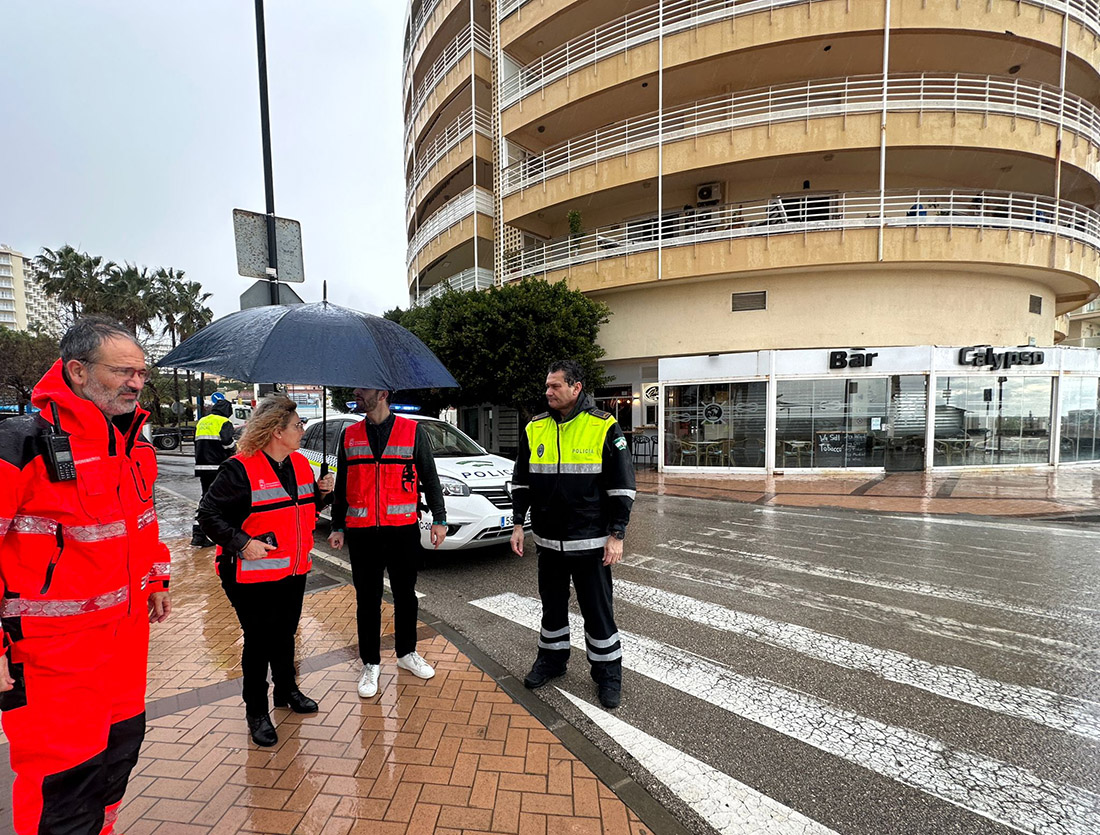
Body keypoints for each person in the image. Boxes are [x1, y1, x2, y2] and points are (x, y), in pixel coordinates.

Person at [0, 316, 172, 835]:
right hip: (53, 655)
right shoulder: (19, 444)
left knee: (116, 762)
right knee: (62, 785)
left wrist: (157, 577)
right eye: (123, 371)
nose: (136, 383)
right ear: (77, 371)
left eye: (141, 373)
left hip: (123, 642)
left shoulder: (133, 443)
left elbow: (142, 521)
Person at [197, 395, 334, 747]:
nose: (302, 431)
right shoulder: (239, 468)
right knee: (259, 641)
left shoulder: (300, 464)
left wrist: (323, 494)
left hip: (292, 570)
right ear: (277, 431)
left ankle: (286, 691)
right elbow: (208, 516)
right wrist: (242, 542)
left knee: (286, 633)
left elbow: (300, 511)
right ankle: (256, 711)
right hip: (249, 574)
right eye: (297, 425)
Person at [510, 360, 635, 709]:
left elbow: (622, 485)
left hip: (591, 543)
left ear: (576, 387)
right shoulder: (534, 427)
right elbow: (522, 479)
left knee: (597, 613)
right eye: (547, 386)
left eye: (555, 386)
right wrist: (519, 523)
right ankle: (552, 661)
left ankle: (608, 674)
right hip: (548, 542)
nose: (548, 392)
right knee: (552, 609)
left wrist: (617, 534)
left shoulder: (603, 426)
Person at [327, 388, 447, 700]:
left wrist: (440, 518)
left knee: (406, 595)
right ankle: (370, 663)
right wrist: (337, 524)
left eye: (362, 389)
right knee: (367, 599)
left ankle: (407, 653)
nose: (356, 393)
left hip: (402, 529)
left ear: (381, 393)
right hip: (362, 531)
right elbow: (342, 484)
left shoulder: (412, 431)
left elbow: (430, 478)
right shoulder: (350, 435)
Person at [190, 397, 235, 547]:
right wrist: (236, 449)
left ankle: (197, 535)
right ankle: (213, 535)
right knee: (220, 502)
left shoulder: (202, 421)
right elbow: (228, 443)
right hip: (218, 468)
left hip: (202, 467)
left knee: (205, 500)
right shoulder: (223, 422)